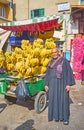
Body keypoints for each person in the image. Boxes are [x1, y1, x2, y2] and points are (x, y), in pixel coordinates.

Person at [44, 47, 75, 125]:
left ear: (58, 52)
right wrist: (46, 84)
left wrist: (68, 84)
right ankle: (56, 116)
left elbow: (69, 72)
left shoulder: (64, 61)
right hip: (53, 84)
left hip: (62, 84)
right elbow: (47, 74)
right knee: (54, 100)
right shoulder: (50, 62)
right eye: (52, 52)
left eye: (55, 52)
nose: (54, 54)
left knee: (63, 100)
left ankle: (65, 118)